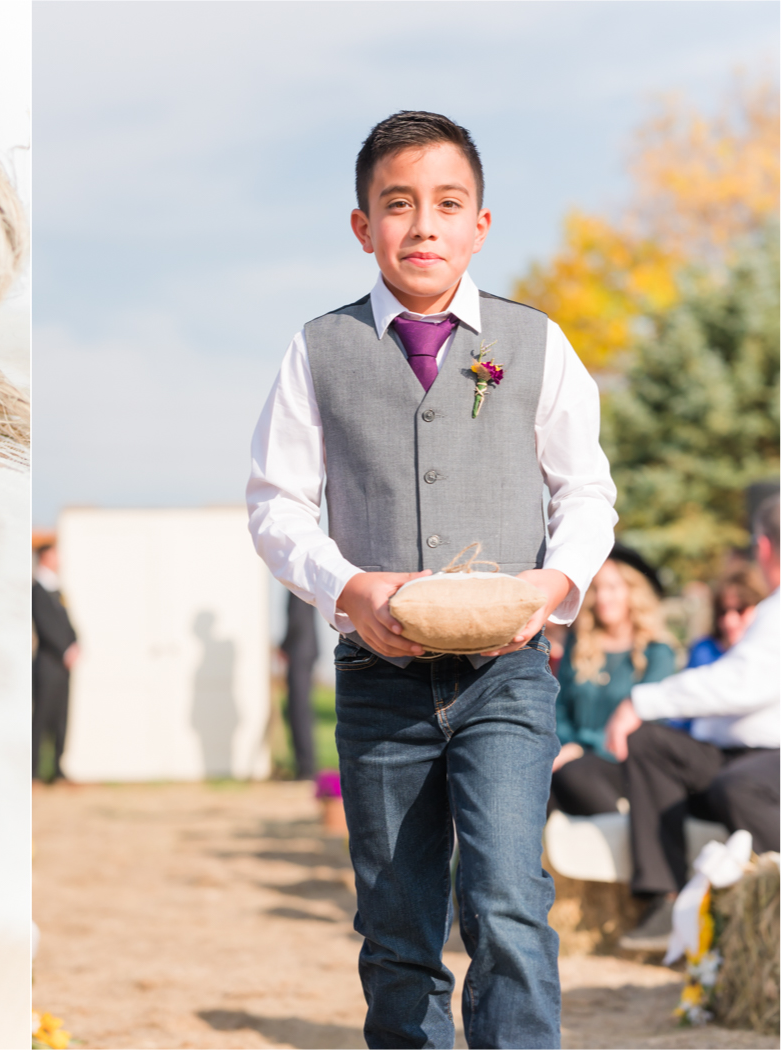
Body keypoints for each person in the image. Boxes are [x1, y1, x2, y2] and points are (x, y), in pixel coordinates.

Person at [247, 111, 617, 1049]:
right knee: (398, 921)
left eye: (447, 205)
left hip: (507, 675)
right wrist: (348, 589)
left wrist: (551, 588)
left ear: (480, 225)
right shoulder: (316, 351)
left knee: (506, 900)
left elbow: (587, 490)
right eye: (398, 205)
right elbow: (276, 504)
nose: (423, 226)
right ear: (363, 226)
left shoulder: (534, 344)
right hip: (381, 685)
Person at [607, 494, 780, 951]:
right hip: (740, 753)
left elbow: (742, 684)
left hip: (766, 761)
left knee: (738, 785)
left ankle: (769, 906)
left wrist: (642, 700)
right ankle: (663, 898)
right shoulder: (770, 609)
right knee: (651, 745)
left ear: (762, 548)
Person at [549, 555, 675, 815]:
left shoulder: (657, 653)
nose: (604, 597)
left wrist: (582, 749)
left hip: (623, 762)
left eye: (613, 587)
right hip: (572, 756)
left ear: (633, 592)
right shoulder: (579, 645)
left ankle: (625, 836)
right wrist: (567, 746)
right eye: (598, 588)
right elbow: (559, 709)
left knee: (573, 774)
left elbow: (648, 723)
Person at [32, 541, 79, 784]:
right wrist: (63, 650)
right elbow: (45, 626)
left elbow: (67, 622)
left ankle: (58, 771)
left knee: (61, 718)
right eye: (55, 555)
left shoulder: (57, 590)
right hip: (47, 664)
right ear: (44, 558)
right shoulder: (36, 590)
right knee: (41, 718)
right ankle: (34, 773)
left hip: (64, 665)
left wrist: (75, 644)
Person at [686, 564, 767, 669]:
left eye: (740, 610)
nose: (729, 621)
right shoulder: (703, 652)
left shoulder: (771, 654)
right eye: (723, 612)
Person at [280, 591, 318, 780]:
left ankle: (306, 769)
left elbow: (296, 621)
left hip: (299, 653)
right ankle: (304, 766)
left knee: (298, 712)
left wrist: (283, 647)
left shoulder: (297, 587)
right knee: (300, 711)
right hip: (304, 652)